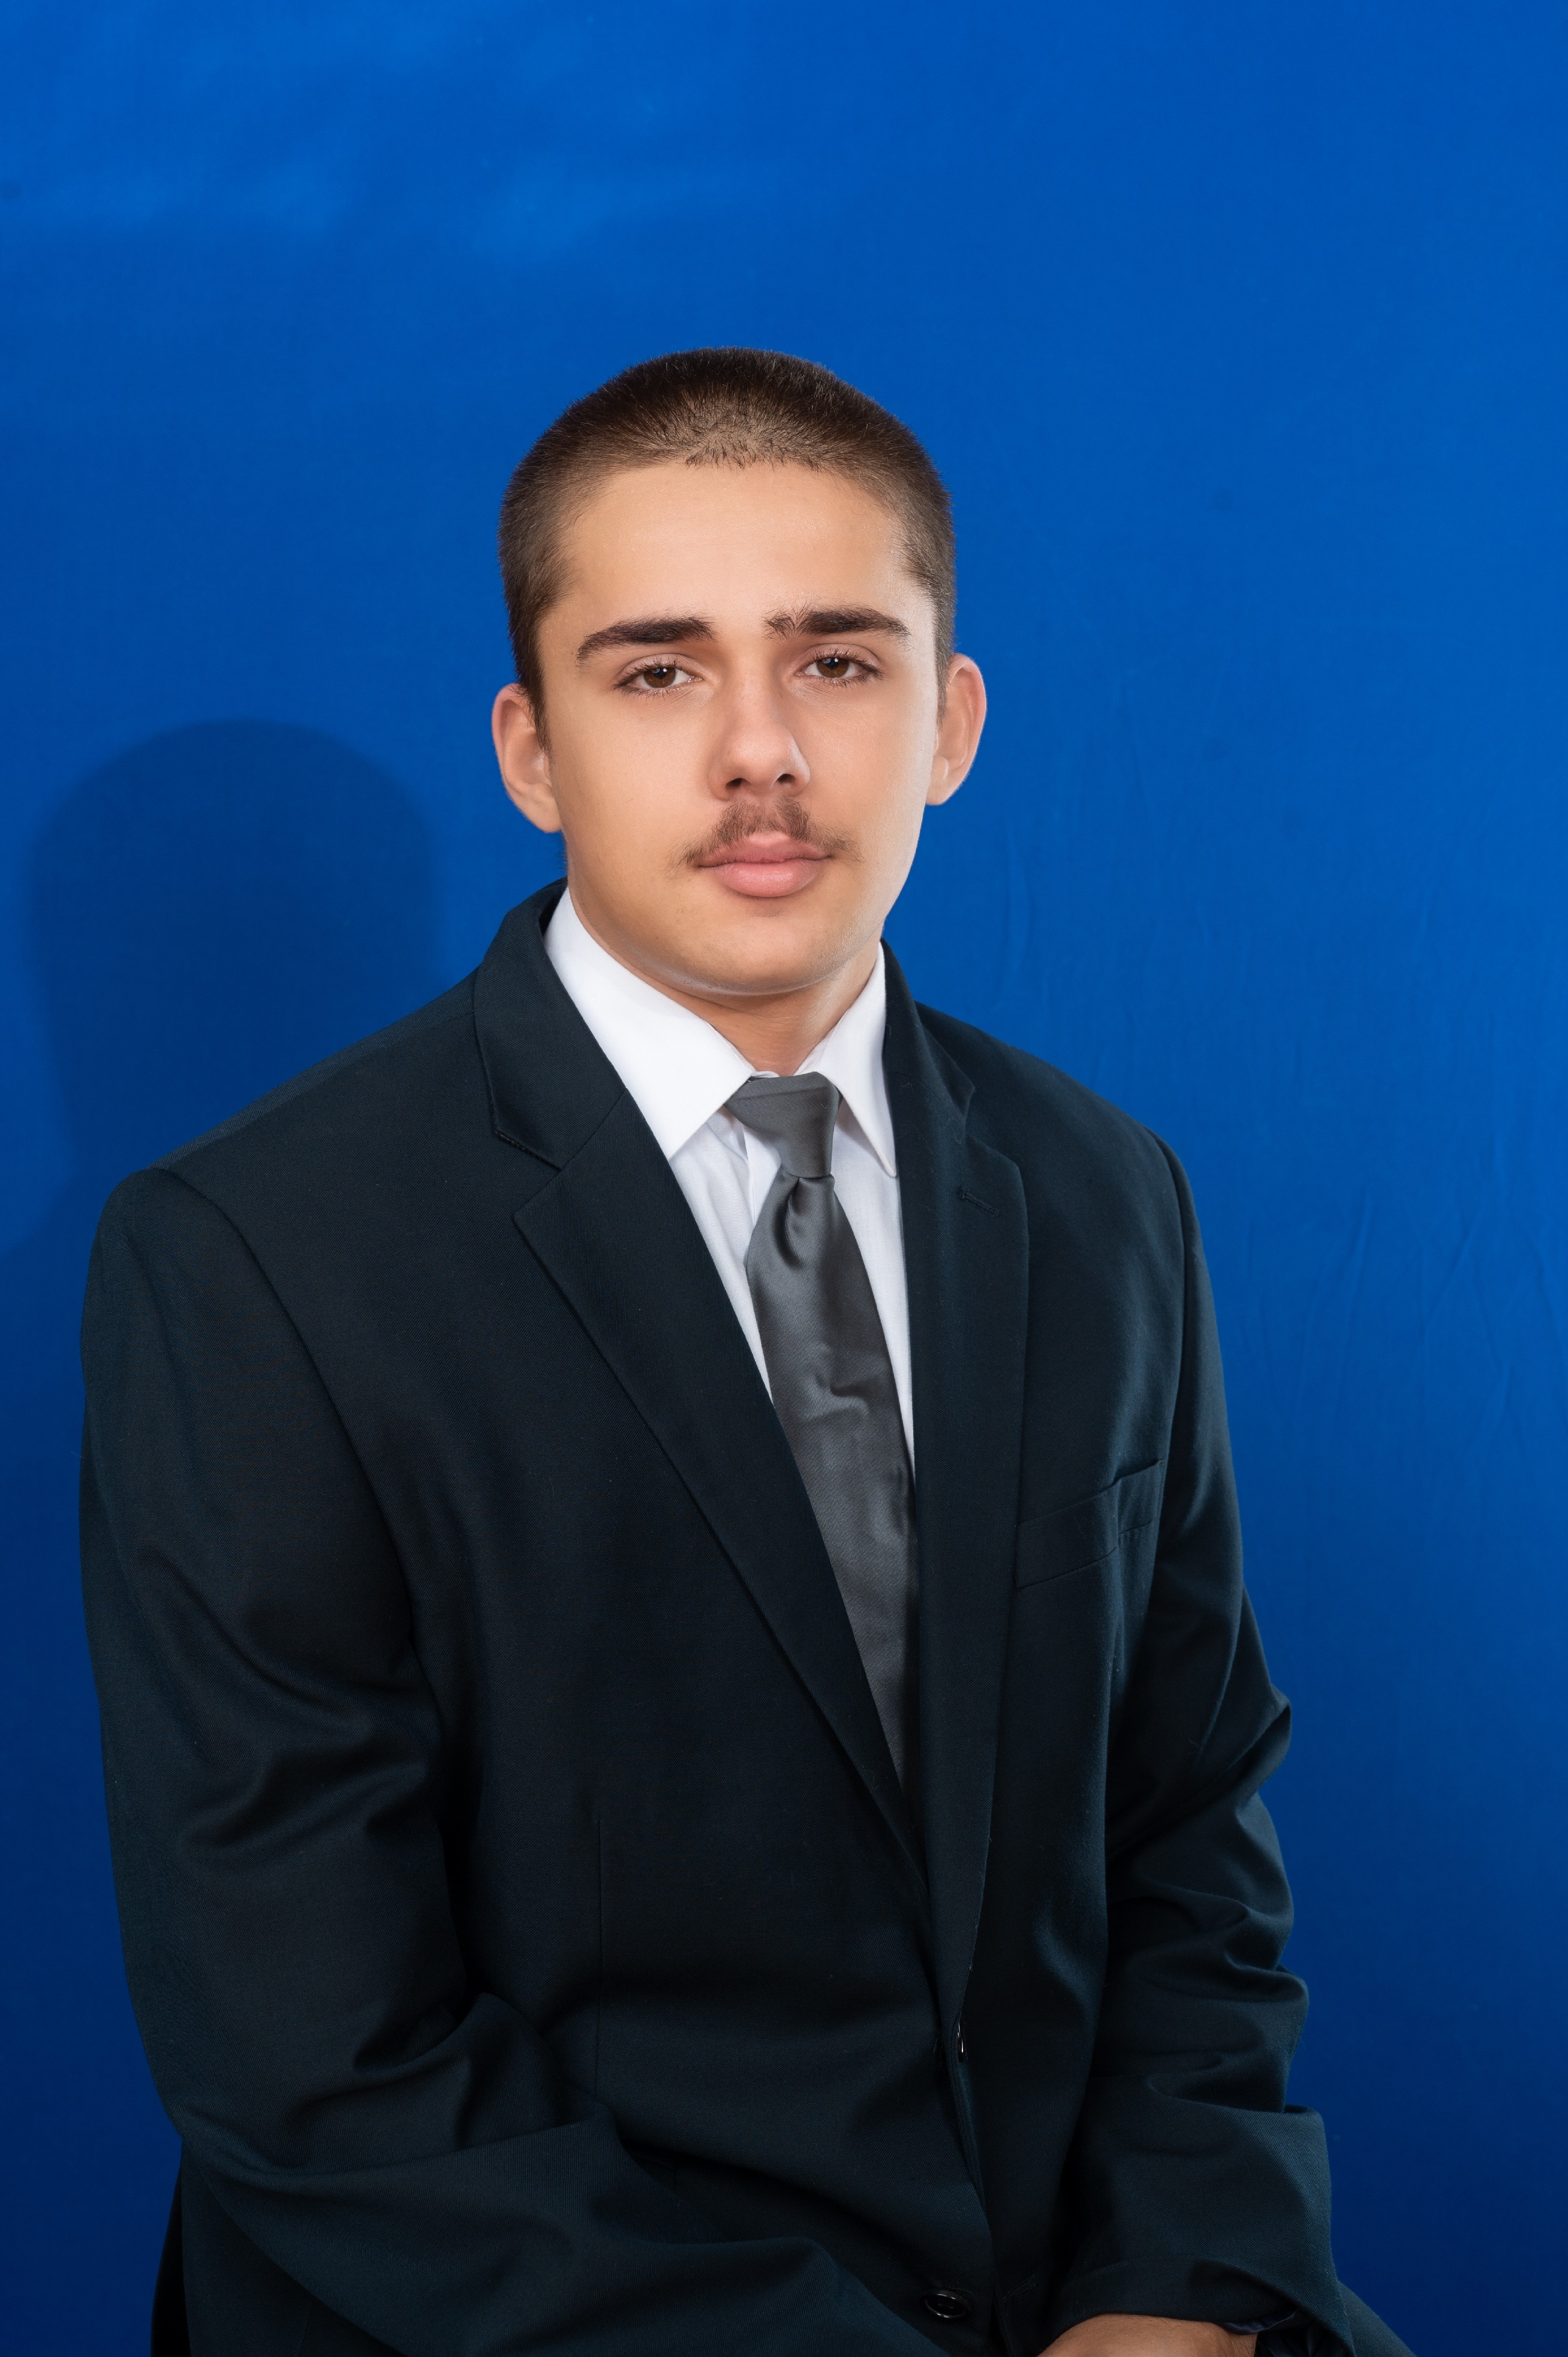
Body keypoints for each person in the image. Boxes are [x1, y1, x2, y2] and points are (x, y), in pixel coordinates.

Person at [80, 348, 1413, 2357]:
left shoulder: (1102, 1188)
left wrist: (1172, 2283)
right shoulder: (251, 1257)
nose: (761, 752)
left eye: (838, 662)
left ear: (951, 721)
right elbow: (316, 2060)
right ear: (533, 750)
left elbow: (1190, 1815)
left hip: (1084, 2291)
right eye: (658, 671)